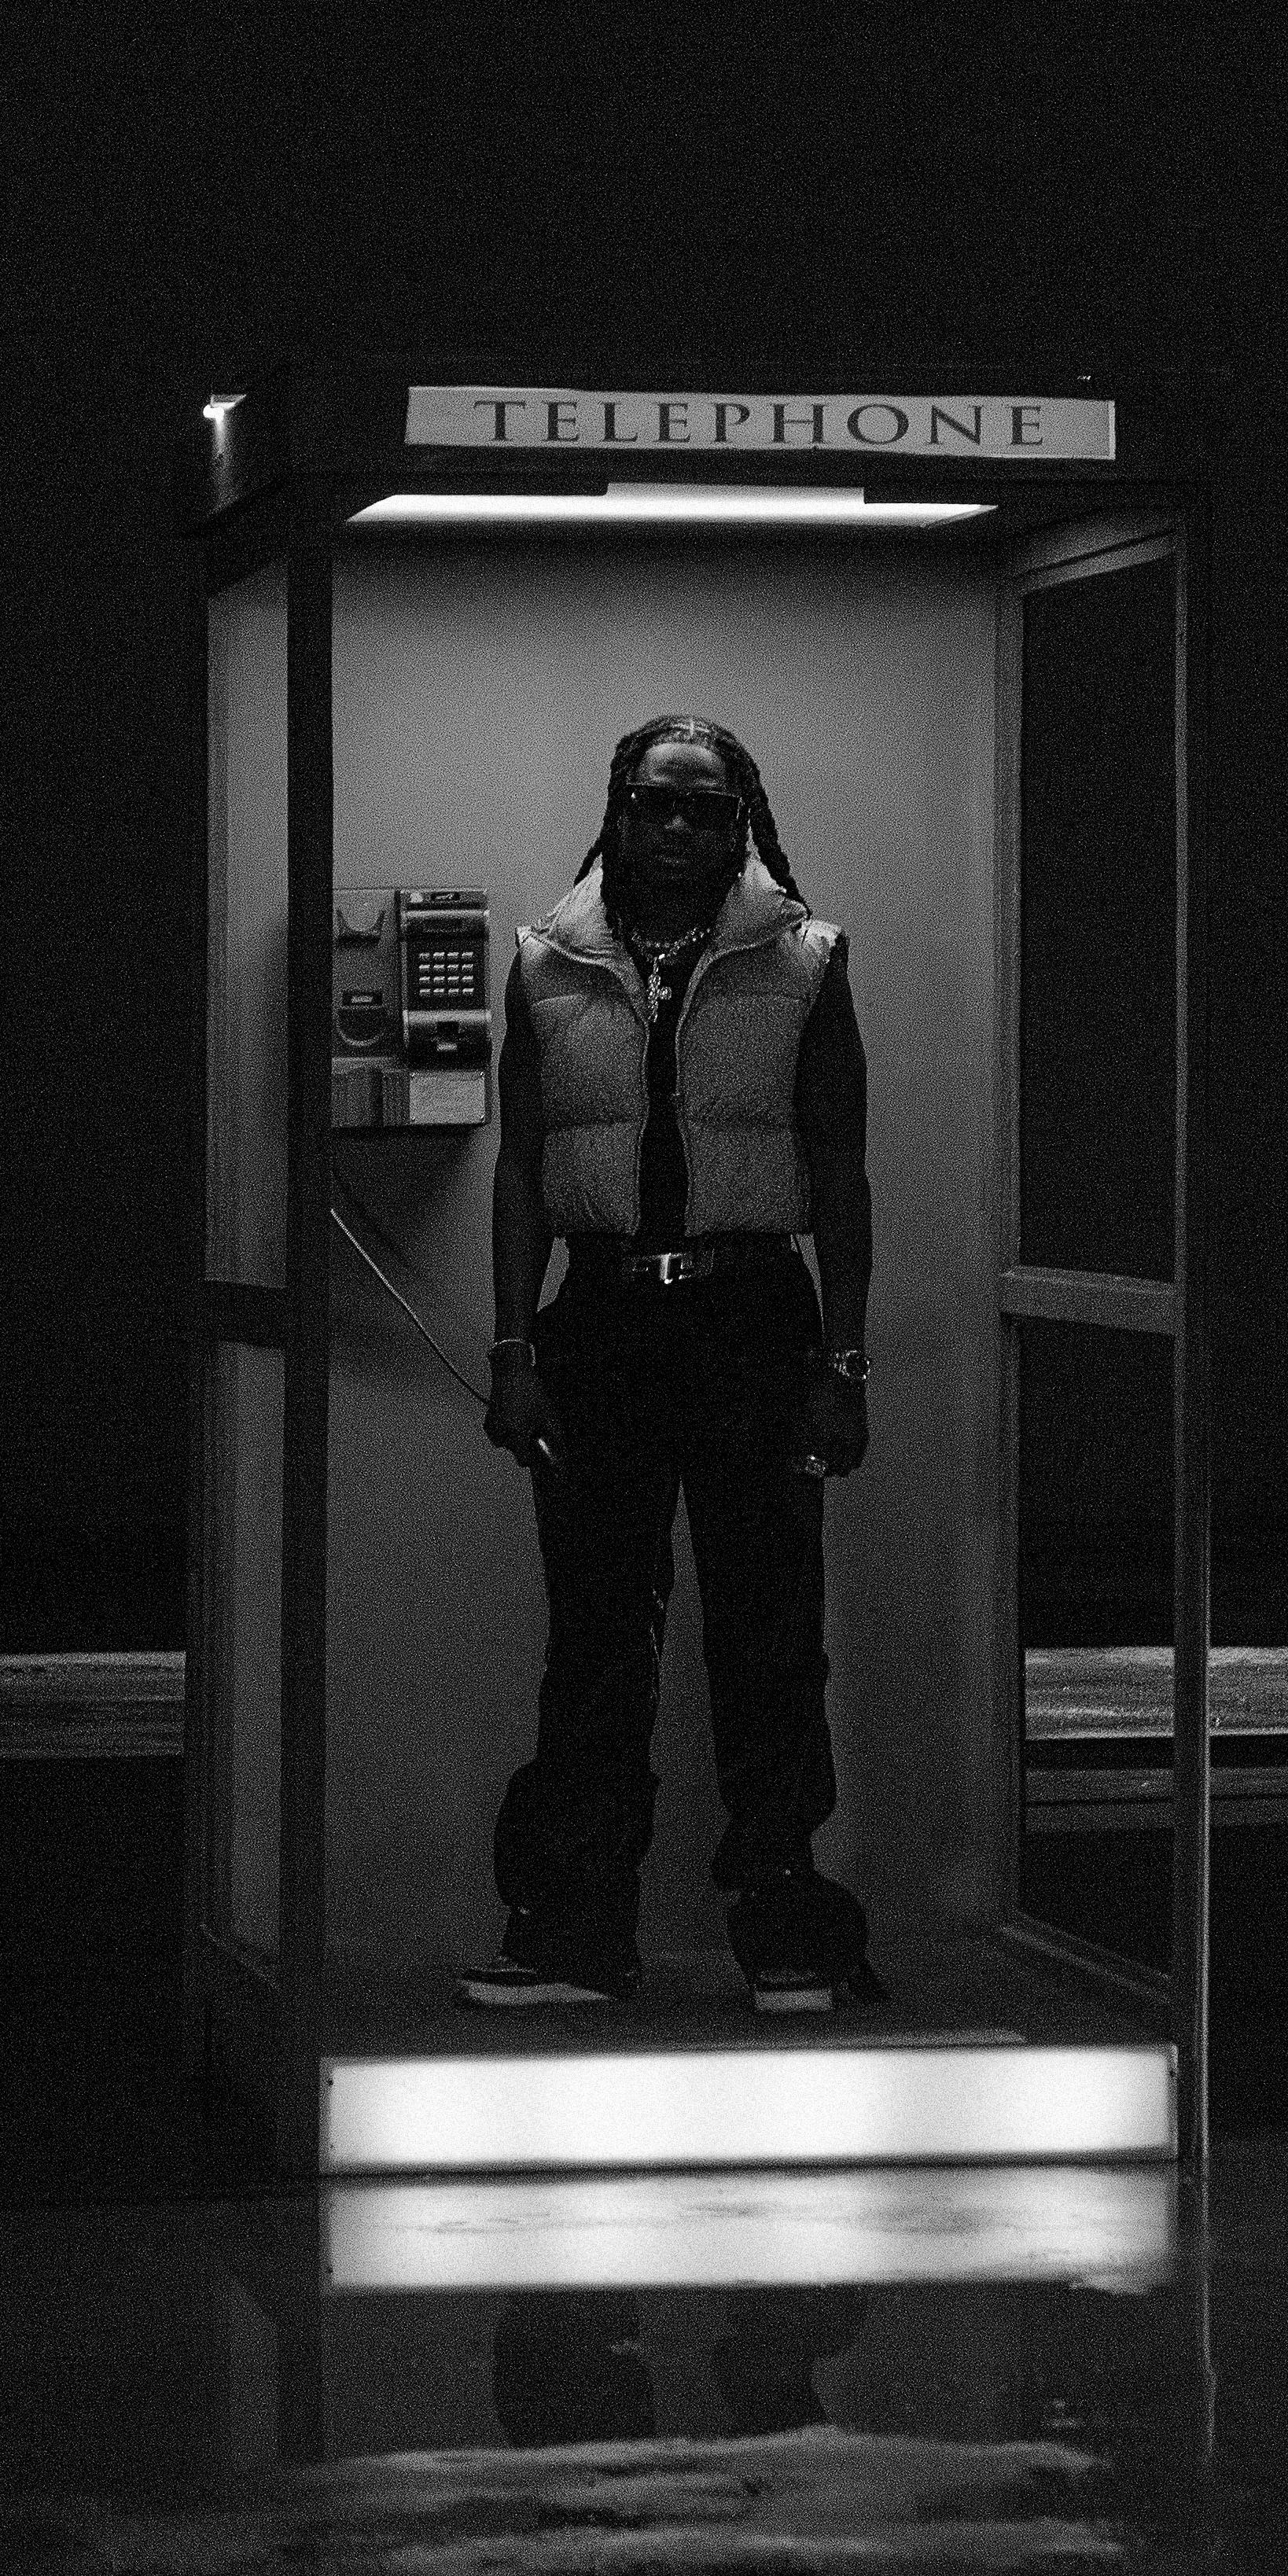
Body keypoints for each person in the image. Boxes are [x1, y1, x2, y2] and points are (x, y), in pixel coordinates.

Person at [462, 715, 880, 2015]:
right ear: (619, 808)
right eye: (657, 803)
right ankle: (576, 1931)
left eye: (707, 808)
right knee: (595, 1631)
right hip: (600, 1326)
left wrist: (845, 1363)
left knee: (768, 1628)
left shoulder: (805, 960)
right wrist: (514, 1346)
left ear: (742, 816)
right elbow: (521, 1164)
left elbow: (844, 1169)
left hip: (753, 1320)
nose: (680, 829)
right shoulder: (545, 961)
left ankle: (785, 1926)